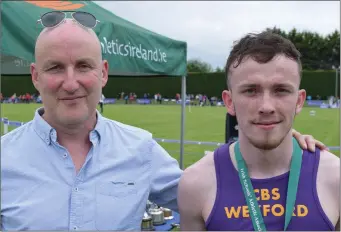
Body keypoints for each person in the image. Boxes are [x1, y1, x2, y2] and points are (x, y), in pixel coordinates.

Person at [0, 13, 329, 230]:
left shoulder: (140, 148)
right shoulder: (4, 158)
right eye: (56, 67)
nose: (71, 82)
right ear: (35, 76)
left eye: (84, 66)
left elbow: (215, 190)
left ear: (102, 73)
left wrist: (280, 140)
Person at [178, 31, 340, 231]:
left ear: (299, 101)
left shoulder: (335, 176)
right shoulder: (195, 183)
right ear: (229, 102)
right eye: (251, 90)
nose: (266, 106)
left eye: (281, 90)